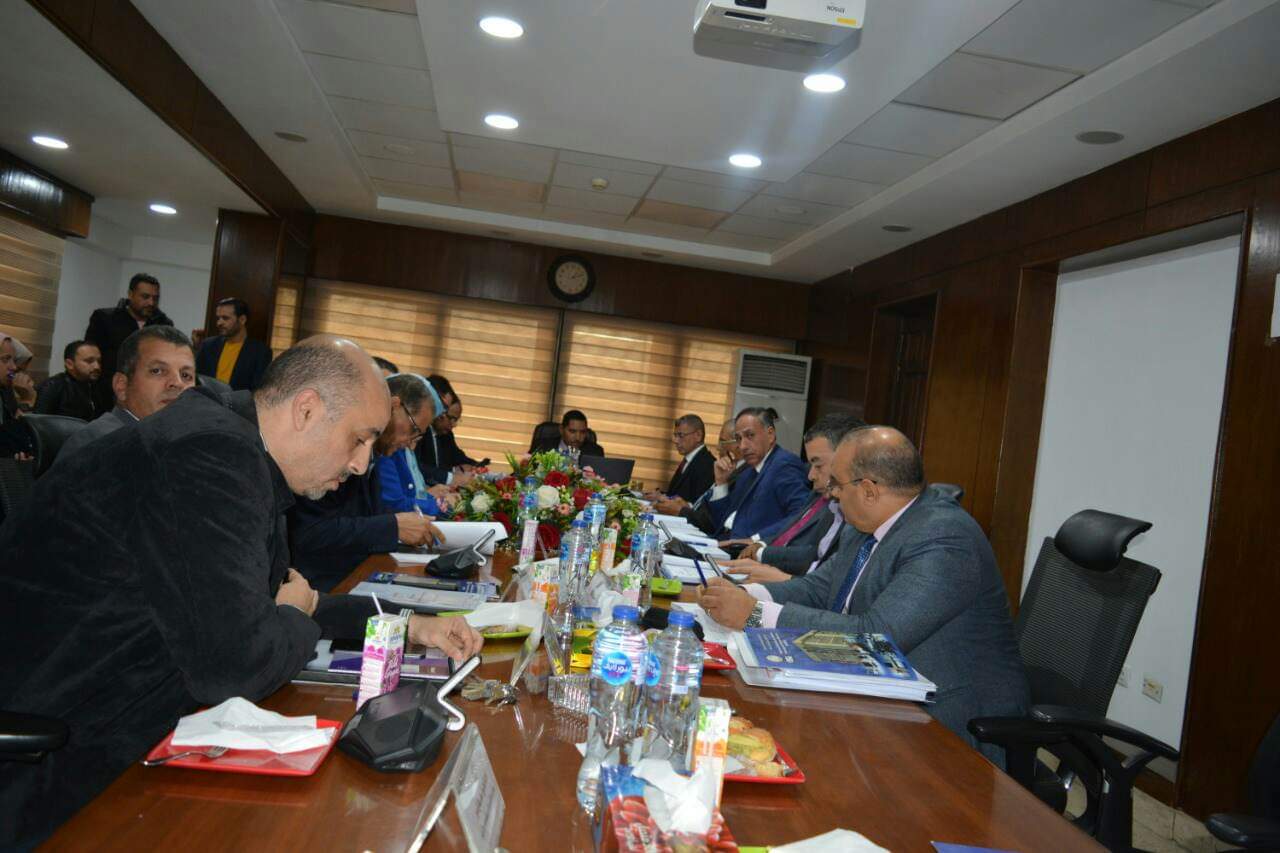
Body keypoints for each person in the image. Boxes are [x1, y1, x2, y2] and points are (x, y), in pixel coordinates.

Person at [0, 335, 484, 847]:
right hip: (62, 753)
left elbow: (287, 600)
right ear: (306, 409)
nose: (363, 463)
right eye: (359, 439)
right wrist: (292, 617)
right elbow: (237, 666)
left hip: (128, 712)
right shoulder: (210, 457)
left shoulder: (237, 447)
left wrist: (410, 626)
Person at [699, 426, 1029, 762]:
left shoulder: (945, 538)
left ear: (869, 490)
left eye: (838, 485)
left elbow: (876, 637)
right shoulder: (867, 524)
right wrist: (746, 593)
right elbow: (818, 588)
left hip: (947, 723)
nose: (832, 495)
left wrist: (754, 614)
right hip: (877, 691)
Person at [288, 371, 449, 591]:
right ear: (394, 406)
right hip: (317, 585)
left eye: (418, 437)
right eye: (413, 430)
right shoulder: (337, 448)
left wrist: (408, 525)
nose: (411, 444)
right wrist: (393, 526)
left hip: (357, 575)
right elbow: (309, 532)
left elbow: (365, 517)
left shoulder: (374, 454)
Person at [722, 413, 864, 582]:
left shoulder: (850, 513)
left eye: (818, 465)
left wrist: (763, 556)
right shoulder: (821, 494)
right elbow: (794, 528)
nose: (810, 476)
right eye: (738, 438)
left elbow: (815, 560)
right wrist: (760, 546)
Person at [56, 327, 196, 462]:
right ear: (121, 386)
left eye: (186, 375)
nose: (177, 383)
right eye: (157, 371)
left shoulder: (189, 440)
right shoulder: (96, 445)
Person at [705, 406, 810, 540]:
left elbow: (801, 516)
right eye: (738, 438)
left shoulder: (784, 465)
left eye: (750, 435)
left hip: (749, 549)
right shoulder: (747, 473)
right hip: (723, 543)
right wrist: (721, 483)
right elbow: (721, 522)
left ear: (770, 434)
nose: (743, 446)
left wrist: (755, 540)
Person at [84, 273, 173, 404]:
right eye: (145, 297)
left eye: (155, 298)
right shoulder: (105, 319)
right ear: (131, 294)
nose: (151, 302)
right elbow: (91, 355)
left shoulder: (164, 325)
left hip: (147, 395)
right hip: (106, 393)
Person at [653, 418, 744, 536]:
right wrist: (687, 506)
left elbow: (714, 523)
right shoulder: (726, 470)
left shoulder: (714, 467)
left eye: (722, 441)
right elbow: (705, 510)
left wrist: (682, 510)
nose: (718, 447)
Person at [194, 297, 273, 391]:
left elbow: (258, 389)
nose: (219, 323)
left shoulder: (260, 352)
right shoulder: (208, 345)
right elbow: (196, 379)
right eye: (218, 318)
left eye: (225, 318)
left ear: (242, 319)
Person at [415, 375, 479, 487]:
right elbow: (418, 468)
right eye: (451, 418)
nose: (454, 425)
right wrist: (451, 475)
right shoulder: (418, 430)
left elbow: (459, 458)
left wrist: (477, 467)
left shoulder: (445, 435)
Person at [648, 414, 715, 504]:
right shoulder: (689, 459)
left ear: (698, 435)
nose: (675, 441)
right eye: (675, 435)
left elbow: (697, 505)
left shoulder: (708, 465)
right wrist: (661, 495)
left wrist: (663, 498)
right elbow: (677, 494)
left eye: (680, 435)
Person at [34, 341, 105, 420]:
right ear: (69, 364)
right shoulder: (53, 386)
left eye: (99, 361)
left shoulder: (96, 387)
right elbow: (39, 423)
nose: (97, 366)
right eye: (89, 361)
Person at [0, 334, 35, 457]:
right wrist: (26, 402)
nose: (14, 368)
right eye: (6, 359)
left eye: (14, 361)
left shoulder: (5, 390)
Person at [531, 409, 604, 457]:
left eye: (582, 432)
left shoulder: (595, 452)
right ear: (561, 429)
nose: (578, 437)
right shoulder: (541, 447)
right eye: (572, 431)